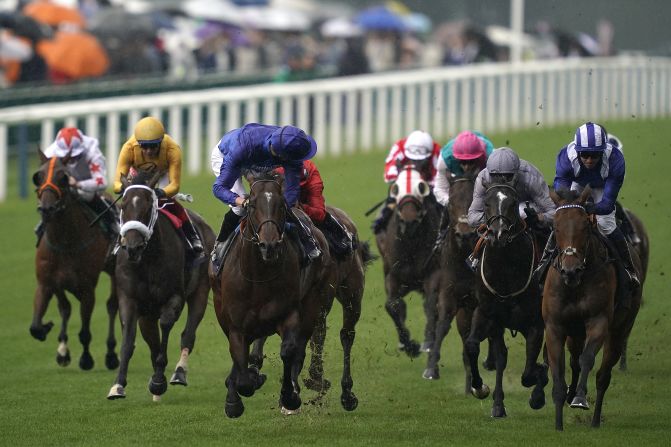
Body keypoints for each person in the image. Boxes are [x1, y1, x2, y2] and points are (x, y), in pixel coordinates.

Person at [535, 122, 640, 290]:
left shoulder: (616, 160)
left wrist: (591, 208)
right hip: (577, 185)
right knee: (565, 222)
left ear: (603, 152)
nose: (589, 160)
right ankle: (542, 266)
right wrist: (571, 207)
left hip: (602, 186)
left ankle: (628, 269)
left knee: (606, 224)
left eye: (595, 155)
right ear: (577, 151)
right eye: (584, 154)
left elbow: (606, 204)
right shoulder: (566, 156)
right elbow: (561, 189)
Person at [210, 123, 320, 271]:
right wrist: (242, 201)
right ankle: (220, 249)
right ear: (282, 156)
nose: (300, 160)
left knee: (276, 203)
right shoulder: (242, 148)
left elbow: (292, 191)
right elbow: (219, 188)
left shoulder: (290, 149)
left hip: (260, 157)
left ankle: (306, 241)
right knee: (240, 210)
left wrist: (282, 206)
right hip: (230, 154)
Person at [113, 116, 204, 255]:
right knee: (130, 205)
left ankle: (191, 236)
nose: (149, 151)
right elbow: (117, 182)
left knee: (168, 202)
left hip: (161, 175)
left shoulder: (173, 149)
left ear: (161, 142)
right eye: (144, 146)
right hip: (137, 175)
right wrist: (125, 189)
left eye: (153, 146)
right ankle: (118, 240)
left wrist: (161, 192)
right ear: (138, 143)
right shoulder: (128, 148)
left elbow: (174, 185)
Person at [467, 147, 555, 269]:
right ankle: (475, 259)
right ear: (489, 173)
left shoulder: (530, 177)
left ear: (517, 173)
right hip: (497, 213)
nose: (501, 181)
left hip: (526, 207)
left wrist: (538, 218)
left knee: (523, 212)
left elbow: (553, 213)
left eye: (508, 176)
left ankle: (547, 262)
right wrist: (497, 218)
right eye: (495, 176)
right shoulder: (483, 178)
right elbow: (472, 218)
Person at [36, 127, 117, 245]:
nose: (70, 160)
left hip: (86, 185)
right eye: (66, 157)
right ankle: (41, 229)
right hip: (63, 187)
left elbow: (102, 183)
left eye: (75, 156)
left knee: (86, 195)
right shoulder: (50, 152)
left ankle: (114, 225)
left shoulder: (92, 151)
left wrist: (78, 184)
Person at [273, 159, 353, 258]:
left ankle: (343, 238)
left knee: (320, 218)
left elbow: (319, 214)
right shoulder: (273, 169)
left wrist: (301, 207)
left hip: (307, 208)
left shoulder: (310, 172)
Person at [372, 129, 441, 234]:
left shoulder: (436, 150)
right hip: (403, 181)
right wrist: (406, 179)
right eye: (413, 159)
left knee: (440, 203)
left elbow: (439, 178)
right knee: (392, 196)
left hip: (426, 183)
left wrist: (424, 183)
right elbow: (389, 174)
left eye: (420, 160)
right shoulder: (399, 147)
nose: (416, 162)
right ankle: (383, 220)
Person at [432, 130, 494, 247]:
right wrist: (454, 203)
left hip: (483, 181)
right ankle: (440, 239)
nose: (467, 166)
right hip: (457, 184)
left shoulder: (491, 157)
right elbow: (439, 190)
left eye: (471, 162)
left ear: (480, 156)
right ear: (456, 158)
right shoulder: (445, 159)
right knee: (447, 208)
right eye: (463, 162)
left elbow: (495, 190)